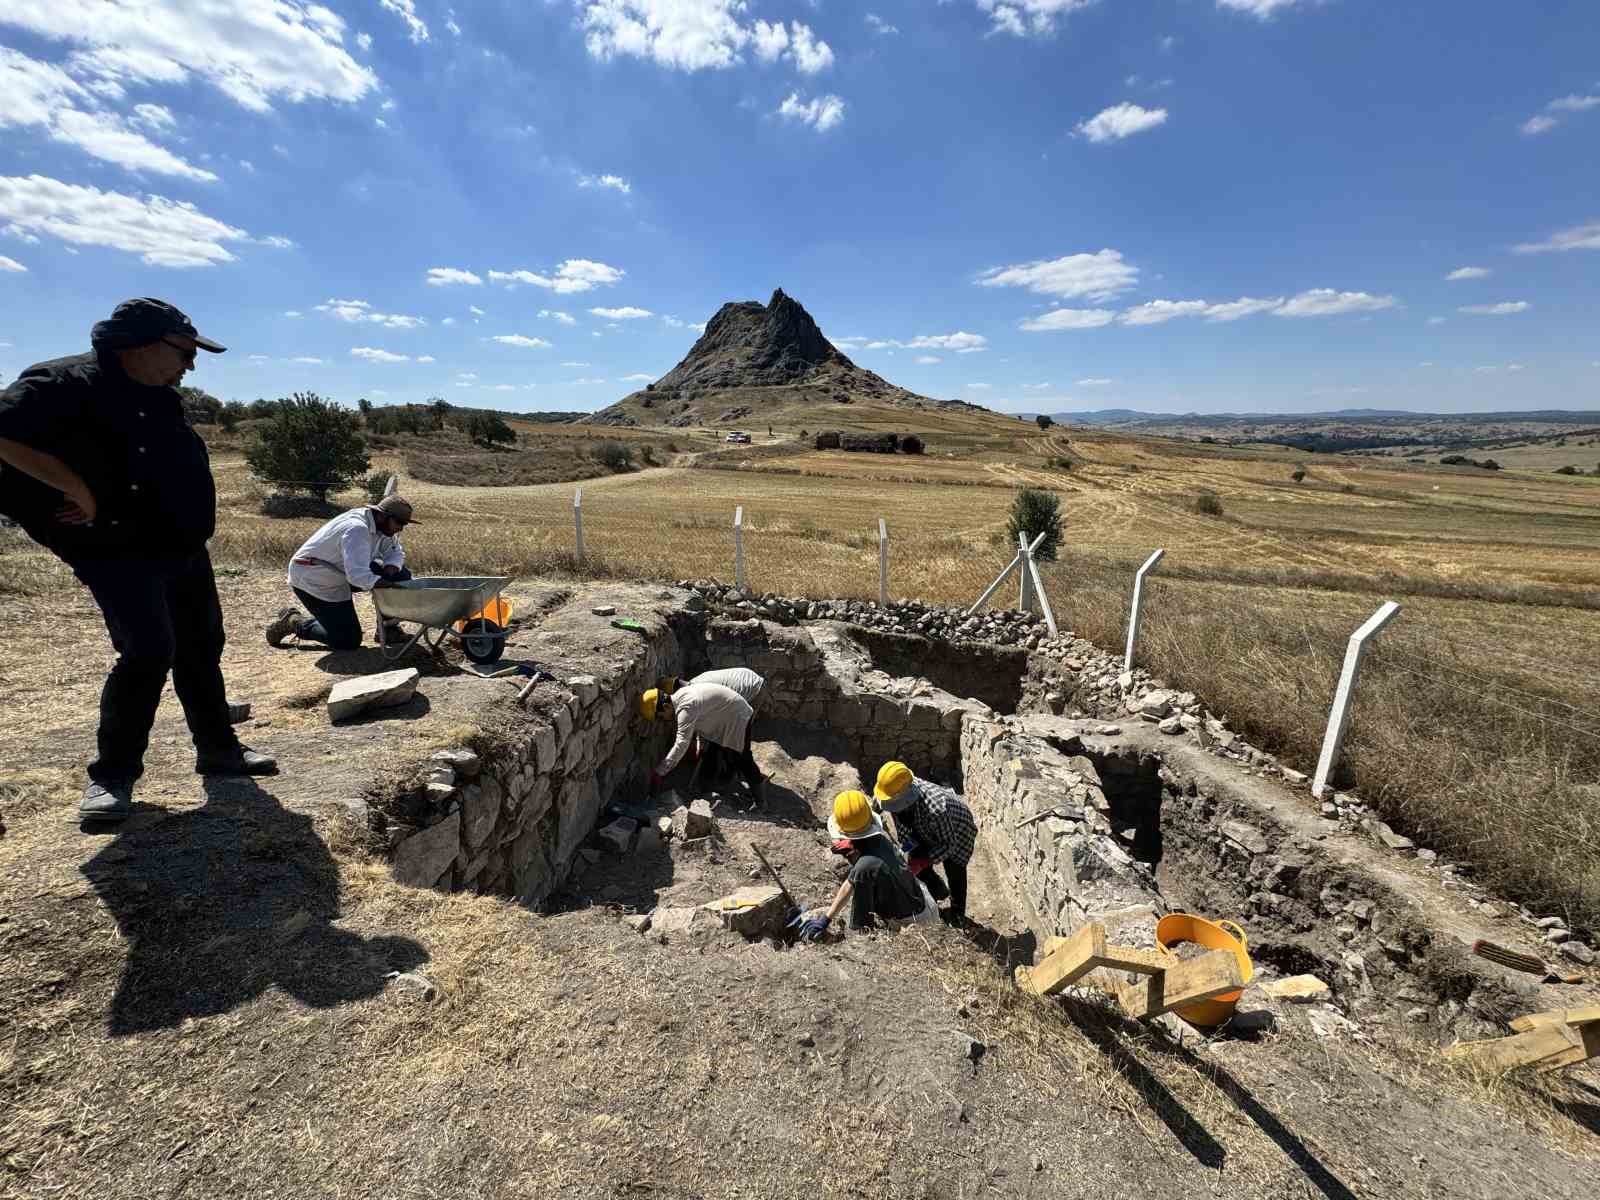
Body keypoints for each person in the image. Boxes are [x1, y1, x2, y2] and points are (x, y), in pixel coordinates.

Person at [0, 298, 276, 823]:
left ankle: (219, 751)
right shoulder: (61, 383)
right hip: (116, 546)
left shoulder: (159, 392)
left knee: (201, 645)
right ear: (142, 344)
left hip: (179, 542)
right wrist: (74, 486)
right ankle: (112, 776)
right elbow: (5, 434)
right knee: (149, 649)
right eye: (185, 351)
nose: (190, 364)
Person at [266, 495, 419, 651]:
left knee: (400, 575)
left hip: (341, 571)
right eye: (399, 522)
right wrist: (387, 584)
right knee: (347, 640)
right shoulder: (357, 528)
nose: (401, 528)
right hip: (315, 578)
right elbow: (357, 575)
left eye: (404, 524)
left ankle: (388, 629)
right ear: (383, 516)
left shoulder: (381, 526)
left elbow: (395, 552)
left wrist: (390, 569)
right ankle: (295, 622)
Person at [795, 790, 935, 941]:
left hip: (916, 923)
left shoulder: (865, 867)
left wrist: (825, 923)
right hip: (923, 901)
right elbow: (851, 881)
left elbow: (862, 924)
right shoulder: (880, 840)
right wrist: (827, 918)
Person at [872, 761, 978, 925]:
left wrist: (923, 863)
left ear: (905, 798)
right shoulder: (890, 789)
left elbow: (949, 844)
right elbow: (876, 806)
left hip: (957, 833)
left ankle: (958, 914)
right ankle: (939, 890)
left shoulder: (936, 808)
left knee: (955, 871)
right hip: (924, 827)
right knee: (913, 863)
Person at [639, 678, 764, 803]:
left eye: (661, 717)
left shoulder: (685, 708)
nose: (663, 721)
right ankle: (707, 791)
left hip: (737, 716)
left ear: (666, 706)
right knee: (711, 752)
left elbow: (681, 743)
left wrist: (660, 772)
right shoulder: (682, 695)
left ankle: (760, 802)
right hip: (726, 717)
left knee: (742, 758)